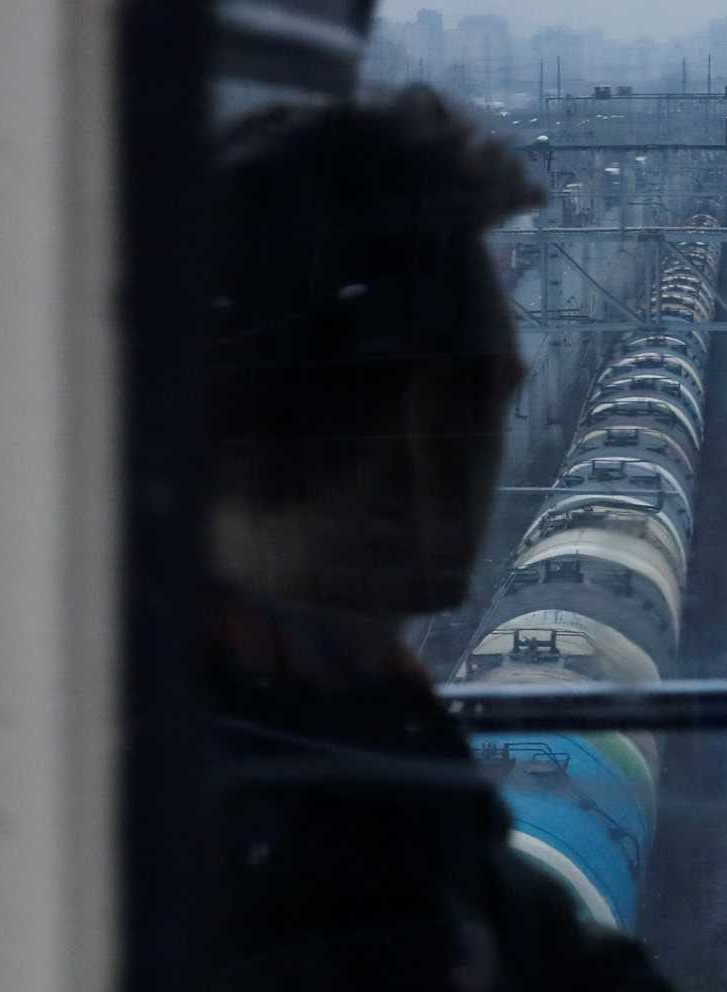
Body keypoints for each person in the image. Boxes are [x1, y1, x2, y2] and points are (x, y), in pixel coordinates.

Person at [203, 86, 671, 992]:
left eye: (478, 402)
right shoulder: (243, 806)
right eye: (386, 410)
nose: (443, 471)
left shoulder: (359, 725)